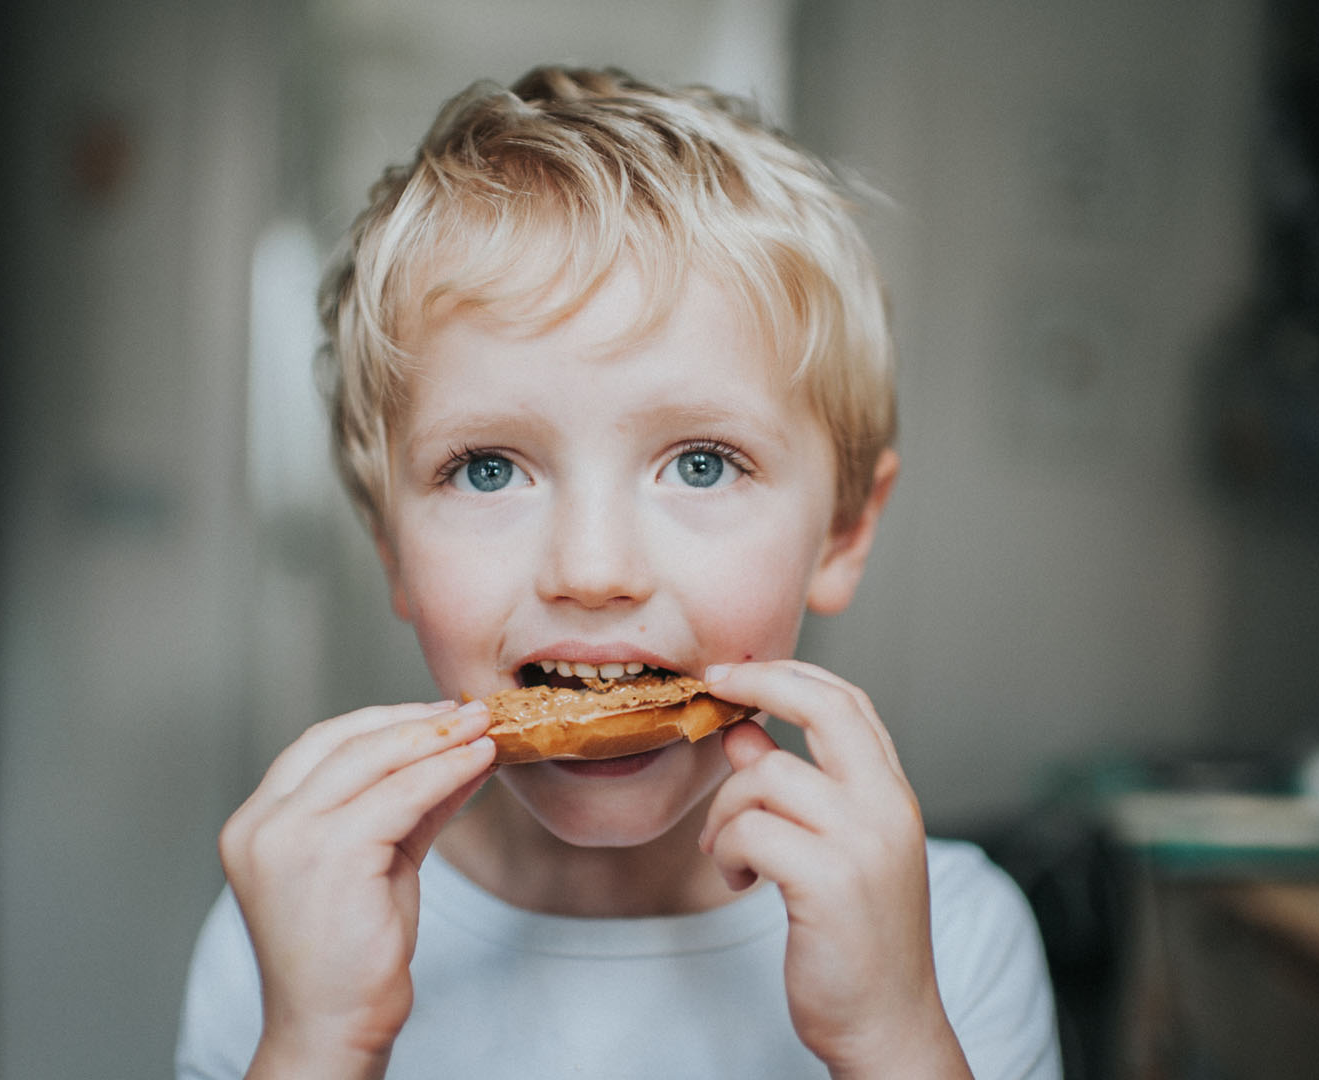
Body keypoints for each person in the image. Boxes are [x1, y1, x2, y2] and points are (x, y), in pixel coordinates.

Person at [176, 65, 1061, 1080]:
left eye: (701, 463)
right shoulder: (283, 936)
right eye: (488, 468)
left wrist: (890, 1038)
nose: (592, 571)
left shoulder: (953, 941)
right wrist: (318, 1044)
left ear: (845, 532)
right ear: (391, 549)